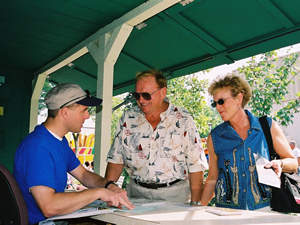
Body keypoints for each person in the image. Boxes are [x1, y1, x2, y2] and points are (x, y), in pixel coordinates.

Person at [13, 83, 134, 225]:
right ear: (64, 112)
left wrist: (109, 186)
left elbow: (83, 175)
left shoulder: (59, 141)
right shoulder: (37, 147)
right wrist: (99, 193)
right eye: (84, 110)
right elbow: (49, 207)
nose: (87, 116)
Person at [105, 70, 208, 204]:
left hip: (175, 196)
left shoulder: (183, 119)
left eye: (146, 95)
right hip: (136, 194)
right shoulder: (128, 118)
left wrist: (195, 204)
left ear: (162, 92)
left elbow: (195, 165)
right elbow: (116, 160)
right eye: (137, 95)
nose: (141, 100)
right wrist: (107, 193)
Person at [200, 74, 298, 210]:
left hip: (265, 211)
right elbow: (212, 178)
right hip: (226, 213)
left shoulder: (267, 126)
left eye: (221, 101)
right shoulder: (215, 137)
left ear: (239, 98)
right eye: (214, 103)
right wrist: (197, 207)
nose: (217, 107)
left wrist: (280, 163)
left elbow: (293, 163)